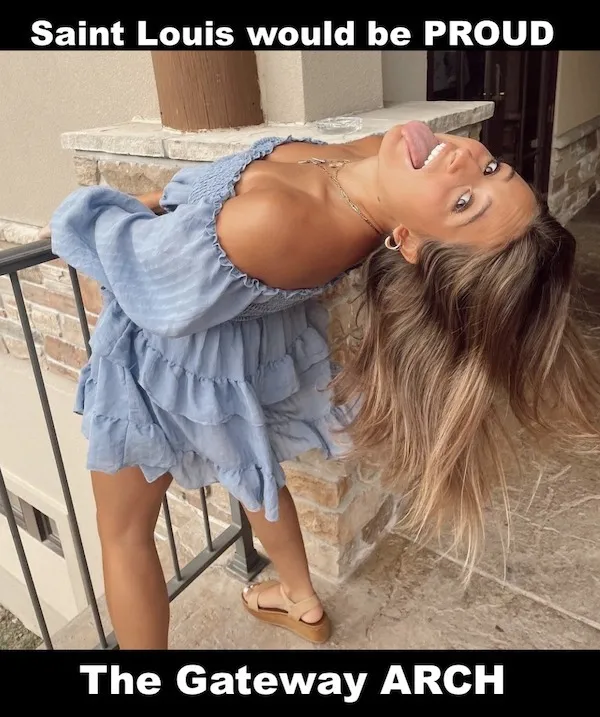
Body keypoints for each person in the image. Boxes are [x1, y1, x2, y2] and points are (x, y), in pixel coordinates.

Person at [47, 120, 600, 650]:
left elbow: (136, 271)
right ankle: (300, 599)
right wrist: (165, 206)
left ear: (408, 243)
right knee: (252, 465)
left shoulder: (279, 221)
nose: (465, 159)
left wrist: (94, 217)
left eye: (463, 204)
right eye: (493, 168)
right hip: (241, 345)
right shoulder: (386, 165)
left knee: (123, 532)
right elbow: (208, 212)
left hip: (177, 361)